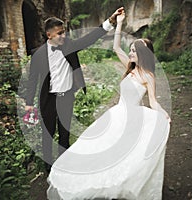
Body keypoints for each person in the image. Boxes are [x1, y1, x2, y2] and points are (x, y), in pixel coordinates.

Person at [46, 10, 171, 200]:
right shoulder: (130, 67)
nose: (130, 53)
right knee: (98, 150)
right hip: (117, 114)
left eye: (134, 51)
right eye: (131, 50)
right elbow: (116, 48)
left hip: (133, 118)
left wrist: (164, 114)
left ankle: (123, 184)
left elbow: (153, 101)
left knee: (124, 156)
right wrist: (118, 23)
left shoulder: (148, 76)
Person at [24, 7, 125, 172]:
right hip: (48, 99)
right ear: (49, 35)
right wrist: (29, 103)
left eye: (64, 32)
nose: (63, 36)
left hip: (66, 98)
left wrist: (111, 21)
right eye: (59, 33)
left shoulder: (68, 45)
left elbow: (89, 39)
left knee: (64, 133)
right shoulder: (38, 54)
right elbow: (33, 80)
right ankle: (49, 169)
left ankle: (65, 165)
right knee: (47, 135)